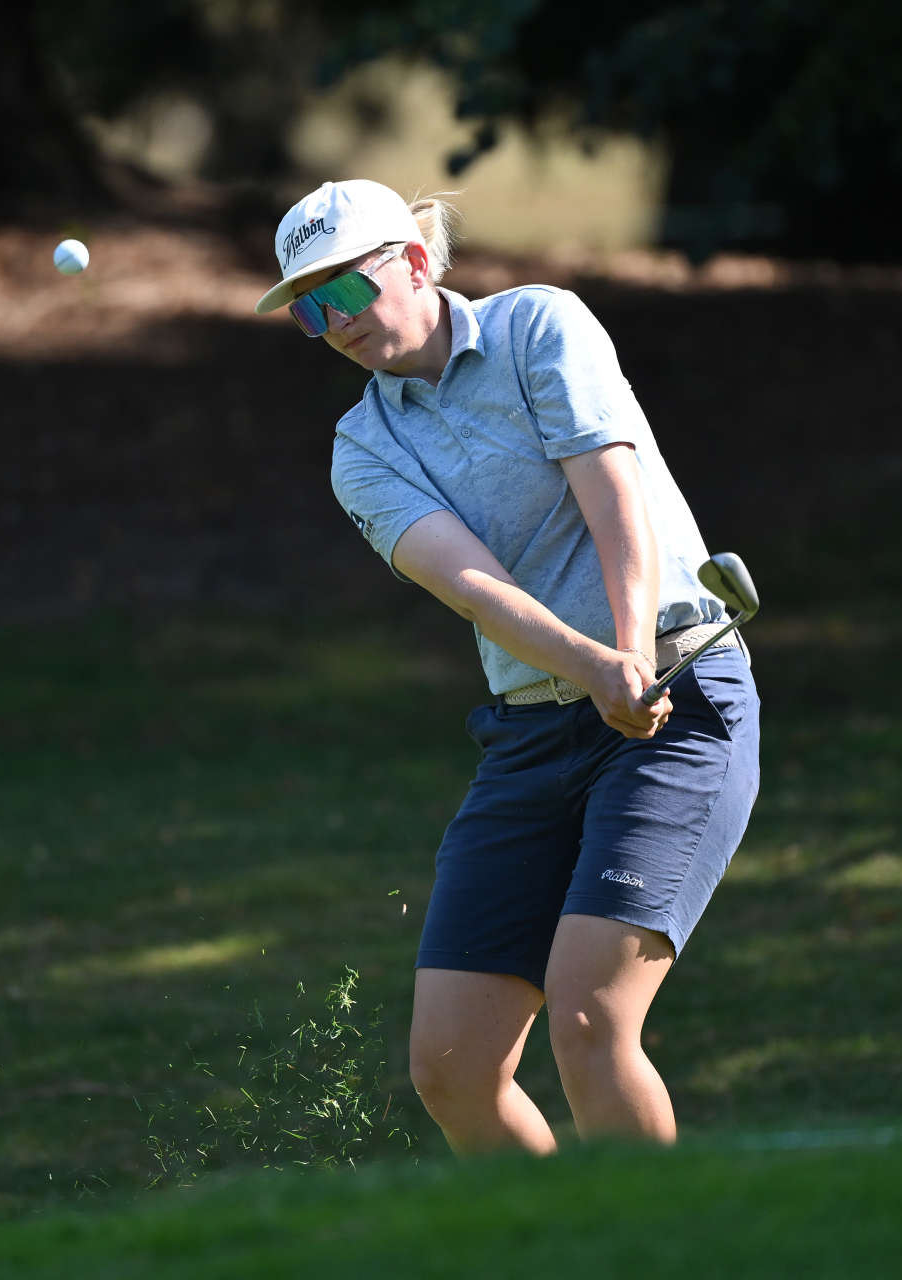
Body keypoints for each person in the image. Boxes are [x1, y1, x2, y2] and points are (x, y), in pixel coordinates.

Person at [253, 178, 761, 1153]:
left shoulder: (538, 325)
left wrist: (626, 654)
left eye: (345, 293)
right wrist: (592, 665)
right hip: (533, 732)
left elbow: (610, 484)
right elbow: (474, 586)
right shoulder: (362, 444)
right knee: (451, 1064)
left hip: (677, 702)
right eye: (309, 311)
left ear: (410, 261)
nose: (334, 325)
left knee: (588, 1019)